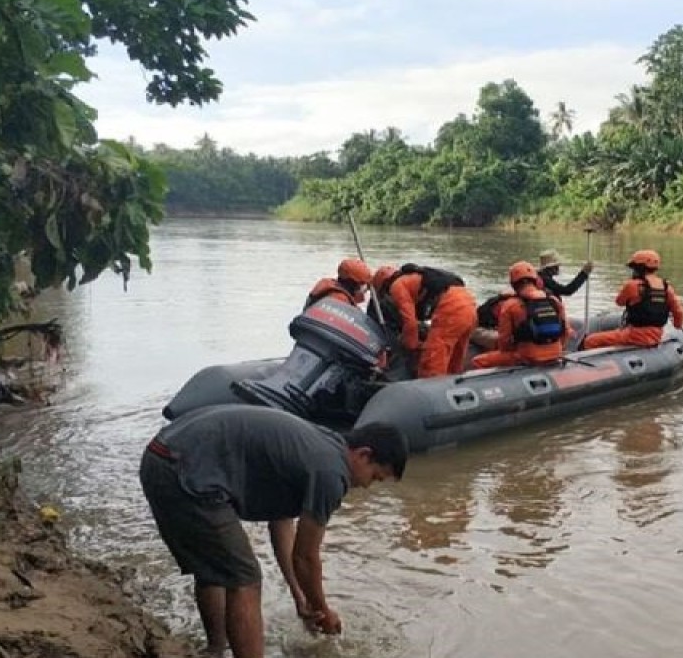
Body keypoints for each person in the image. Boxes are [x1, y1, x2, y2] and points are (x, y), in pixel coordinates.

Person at [139, 404, 409, 658]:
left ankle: (215, 650)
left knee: (217, 565)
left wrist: (300, 596)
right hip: (182, 469)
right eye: (375, 476)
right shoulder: (332, 473)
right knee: (244, 577)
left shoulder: (321, 445)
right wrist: (322, 610)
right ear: (364, 454)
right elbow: (306, 557)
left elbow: (281, 522)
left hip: (162, 454)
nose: (367, 486)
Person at [378, 263, 477, 378]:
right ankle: (453, 381)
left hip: (453, 305)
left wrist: (410, 346)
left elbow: (410, 322)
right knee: (456, 354)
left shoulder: (397, 286)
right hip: (469, 302)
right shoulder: (416, 278)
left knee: (433, 356)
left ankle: (433, 387)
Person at [472, 261, 569, 368]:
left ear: (513, 283)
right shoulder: (554, 300)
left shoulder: (511, 305)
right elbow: (566, 331)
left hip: (526, 356)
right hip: (556, 353)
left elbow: (504, 341)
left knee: (478, 361)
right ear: (535, 280)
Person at [582, 249, 683, 349]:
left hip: (635, 335)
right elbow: (679, 312)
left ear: (639, 268)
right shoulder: (666, 288)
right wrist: (677, 325)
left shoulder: (633, 285)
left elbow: (619, 302)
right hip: (657, 335)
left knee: (590, 340)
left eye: (634, 268)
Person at [303, 258, 372, 309]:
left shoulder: (328, 284)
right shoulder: (340, 299)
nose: (364, 287)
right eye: (362, 283)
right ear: (354, 283)